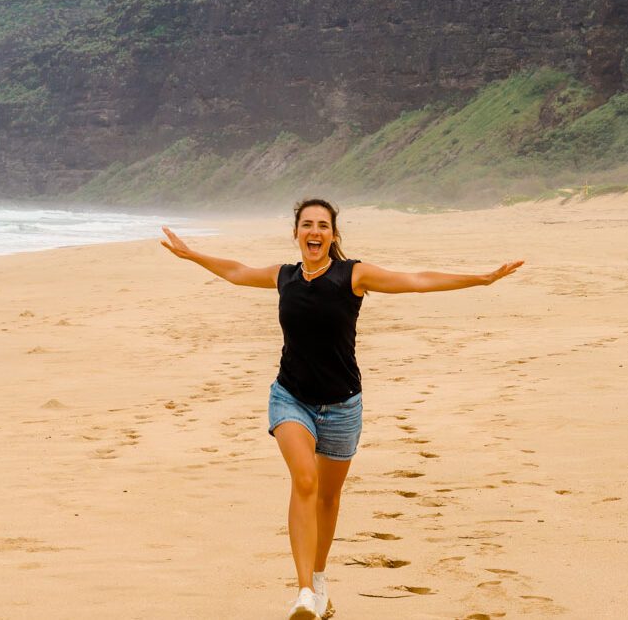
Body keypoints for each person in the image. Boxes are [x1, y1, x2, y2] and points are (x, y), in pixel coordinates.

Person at [161, 198, 523, 620]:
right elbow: (237, 272)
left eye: (323, 226)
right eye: (306, 225)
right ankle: (302, 594)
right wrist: (192, 255)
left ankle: (318, 581)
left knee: (328, 497)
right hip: (290, 397)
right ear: (296, 232)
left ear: (333, 235)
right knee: (305, 480)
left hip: (342, 405)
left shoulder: (354, 275)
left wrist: (480, 279)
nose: (314, 232)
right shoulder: (285, 277)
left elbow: (417, 280)